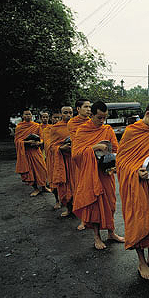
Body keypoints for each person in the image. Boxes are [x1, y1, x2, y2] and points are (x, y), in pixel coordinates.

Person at [116, 99, 149, 280]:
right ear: (147, 114)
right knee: (138, 220)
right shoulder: (131, 132)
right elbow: (120, 162)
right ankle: (141, 261)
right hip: (134, 185)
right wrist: (135, 171)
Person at [72, 101, 124, 249]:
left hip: (106, 173)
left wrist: (115, 163)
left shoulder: (107, 129)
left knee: (110, 204)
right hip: (91, 174)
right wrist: (95, 147)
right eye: (99, 118)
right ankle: (96, 237)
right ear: (92, 115)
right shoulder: (82, 130)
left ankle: (111, 232)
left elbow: (116, 149)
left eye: (104, 118)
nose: (102, 121)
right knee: (94, 205)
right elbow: (76, 154)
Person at [67, 99, 91, 230]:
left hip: (92, 158)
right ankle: (83, 219)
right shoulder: (72, 123)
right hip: (79, 159)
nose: (88, 109)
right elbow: (77, 141)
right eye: (85, 107)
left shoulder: (92, 122)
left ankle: (91, 217)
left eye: (89, 107)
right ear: (78, 109)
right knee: (80, 189)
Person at [14, 109, 49, 197]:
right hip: (26, 152)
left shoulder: (36, 126)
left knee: (42, 169)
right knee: (30, 172)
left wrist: (39, 143)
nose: (28, 116)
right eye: (26, 114)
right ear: (22, 116)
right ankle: (36, 189)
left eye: (29, 114)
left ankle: (44, 187)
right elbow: (17, 141)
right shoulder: (19, 127)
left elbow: (41, 138)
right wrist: (27, 142)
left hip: (36, 151)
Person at [48, 106, 74, 217]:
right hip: (63, 161)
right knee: (65, 186)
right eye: (66, 113)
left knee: (78, 186)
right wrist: (60, 148)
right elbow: (51, 146)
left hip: (76, 161)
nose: (68, 115)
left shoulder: (78, 126)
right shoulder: (55, 128)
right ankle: (69, 209)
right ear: (61, 114)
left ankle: (81, 213)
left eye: (71, 112)